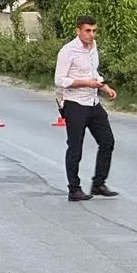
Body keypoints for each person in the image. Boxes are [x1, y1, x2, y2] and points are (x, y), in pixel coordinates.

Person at [54, 14, 118, 202]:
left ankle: (98, 183)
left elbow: (93, 72)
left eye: (94, 31)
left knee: (107, 141)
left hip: (93, 102)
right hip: (75, 103)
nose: (91, 35)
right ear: (78, 31)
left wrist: (104, 87)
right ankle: (74, 189)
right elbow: (60, 80)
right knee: (75, 147)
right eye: (87, 31)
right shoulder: (68, 51)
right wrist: (85, 83)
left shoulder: (93, 48)